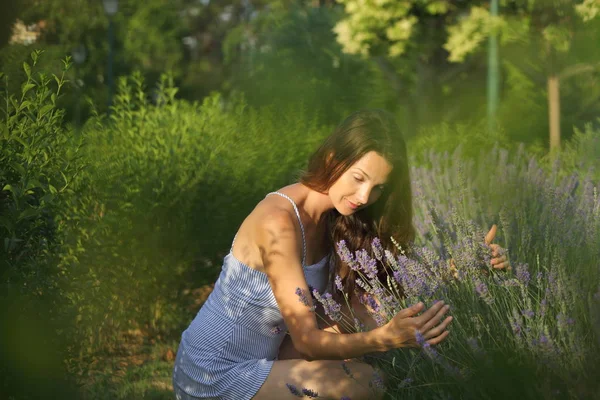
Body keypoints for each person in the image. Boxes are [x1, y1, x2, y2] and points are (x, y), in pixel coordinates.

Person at [172, 109, 509, 400]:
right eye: (359, 178)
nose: (364, 196)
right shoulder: (279, 222)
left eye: (378, 188)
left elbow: (370, 302)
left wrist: (460, 268)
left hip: (268, 355)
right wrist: (384, 340)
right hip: (213, 372)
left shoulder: (338, 218)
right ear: (333, 159)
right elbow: (306, 342)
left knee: (358, 327)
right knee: (364, 382)